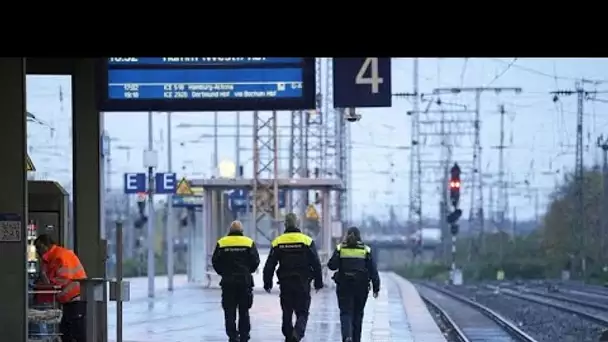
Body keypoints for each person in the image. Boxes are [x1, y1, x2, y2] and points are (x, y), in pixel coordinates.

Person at [263, 213, 324, 342]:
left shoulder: (278, 242)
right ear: (297, 224)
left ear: (285, 224)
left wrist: (267, 282)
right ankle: (297, 332)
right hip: (303, 282)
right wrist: (318, 282)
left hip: (285, 282)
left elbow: (270, 264)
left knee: (287, 310)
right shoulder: (306, 241)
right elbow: (316, 263)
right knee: (302, 311)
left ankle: (288, 333)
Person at [328, 227, 380, 342]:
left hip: (344, 286)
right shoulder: (366, 250)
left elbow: (332, 265)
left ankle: (347, 336)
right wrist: (376, 287)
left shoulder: (340, 248)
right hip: (361, 287)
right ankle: (356, 339)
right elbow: (373, 270)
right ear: (359, 236)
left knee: (346, 312)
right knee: (358, 314)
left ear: (347, 235)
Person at [212, 220, 260, 342]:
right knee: (244, 310)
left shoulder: (222, 243)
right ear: (241, 231)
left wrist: (223, 273)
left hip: (228, 282)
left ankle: (232, 336)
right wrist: (248, 271)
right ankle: (244, 335)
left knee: (229, 310)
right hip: (244, 282)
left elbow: (215, 261)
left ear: (230, 230)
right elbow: (255, 261)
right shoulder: (248, 242)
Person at [34, 234, 88, 342]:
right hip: (71, 299)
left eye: (38, 248)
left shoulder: (58, 256)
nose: (37, 251)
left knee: (74, 333)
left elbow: (63, 279)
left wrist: (47, 284)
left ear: (45, 246)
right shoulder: (54, 256)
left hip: (74, 298)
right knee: (67, 332)